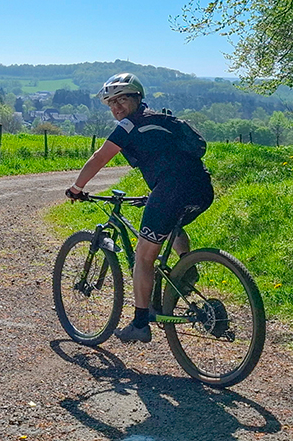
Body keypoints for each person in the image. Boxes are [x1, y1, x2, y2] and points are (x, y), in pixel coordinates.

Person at [66, 73, 213, 343]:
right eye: (111, 103)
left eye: (122, 99)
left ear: (137, 98)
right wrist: (157, 195)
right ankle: (186, 266)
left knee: (144, 257)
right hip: (202, 188)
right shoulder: (163, 119)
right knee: (171, 225)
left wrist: (77, 187)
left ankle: (140, 324)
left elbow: (100, 157)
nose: (116, 107)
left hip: (171, 190)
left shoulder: (129, 126)